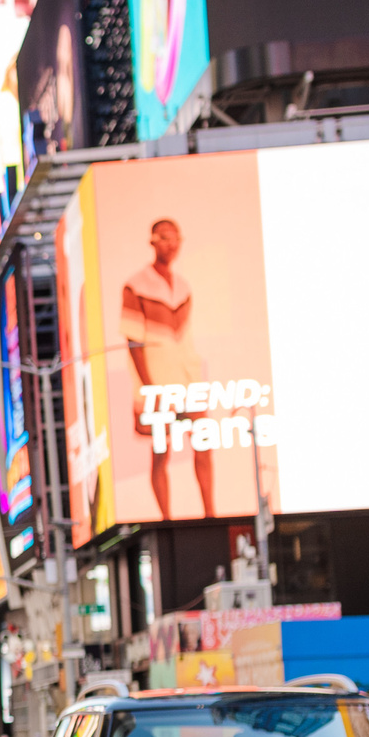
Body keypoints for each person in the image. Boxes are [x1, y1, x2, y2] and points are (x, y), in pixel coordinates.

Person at [122, 217, 215, 520]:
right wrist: (150, 387)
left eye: (175, 238)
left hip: (186, 379)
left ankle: (210, 512)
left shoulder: (184, 286)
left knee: (203, 442)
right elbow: (133, 341)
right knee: (161, 451)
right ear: (153, 241)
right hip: (156, 382)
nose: (171, 244)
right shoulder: (136, 285)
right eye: (165, 238)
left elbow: (185, 339)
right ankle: (166, 518)